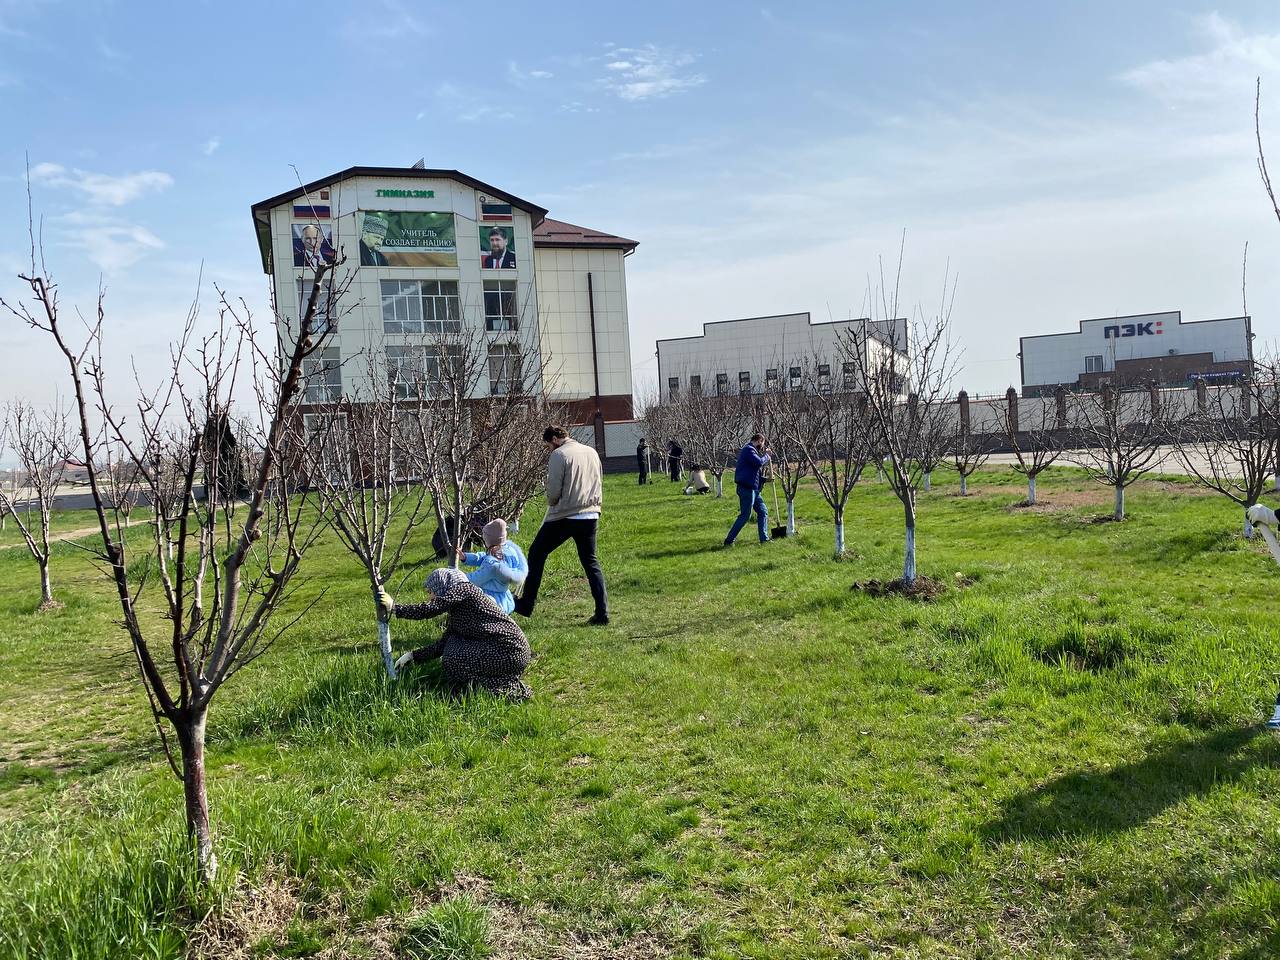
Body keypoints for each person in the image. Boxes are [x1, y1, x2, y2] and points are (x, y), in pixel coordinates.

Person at [378, 567, 532, 701]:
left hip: (510, 651)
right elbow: (442, 645)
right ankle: (485, 688)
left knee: (453, 656)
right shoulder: (460, 610)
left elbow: (432, 608)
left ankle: (486, 690)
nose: (430, 597)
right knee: (452, 646)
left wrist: (396, 608)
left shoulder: (464, 589)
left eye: (431, 592)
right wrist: (412, 656)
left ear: (443, 587)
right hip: (509, 652)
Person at [513, 425, 609, 625]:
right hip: (591, 514)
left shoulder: (559, 455)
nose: (549, 449)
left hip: (565, 515)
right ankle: (602, 613)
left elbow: (554, 491)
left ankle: (526, 604)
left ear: (555, 440)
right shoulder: (591, 452)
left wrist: (552, 500)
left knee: (537, 553)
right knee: (590, 562)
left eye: (548, 445)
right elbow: (599, 479)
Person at [457, 518, 527, 614]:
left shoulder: (492, 565)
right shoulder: (508, 551)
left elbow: (477, 578)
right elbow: (483, 556)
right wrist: (465, 557)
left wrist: (459, 578)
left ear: (489, 540)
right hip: (504, 596)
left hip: (492, 599)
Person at [724, 433, 772, 546]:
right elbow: (758, 462)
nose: (762, 446)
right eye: (762, 443)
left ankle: (764, 539)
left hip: (753, 489)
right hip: (746, 489)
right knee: (745, 516)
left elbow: (753, 472)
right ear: (759, 440)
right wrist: (767, 456)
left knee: (763, 511)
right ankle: (729, 541)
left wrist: (765, 480)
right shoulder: (748, 450)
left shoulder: (751, 451)